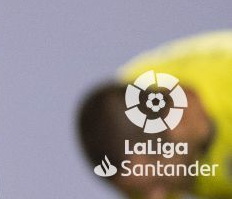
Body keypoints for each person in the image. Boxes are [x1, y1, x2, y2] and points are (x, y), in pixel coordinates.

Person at [77, 30, 232, 199]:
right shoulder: (126, 101)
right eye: (136, 192)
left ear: (181, 119)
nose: (157, 197)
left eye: (161, 180)